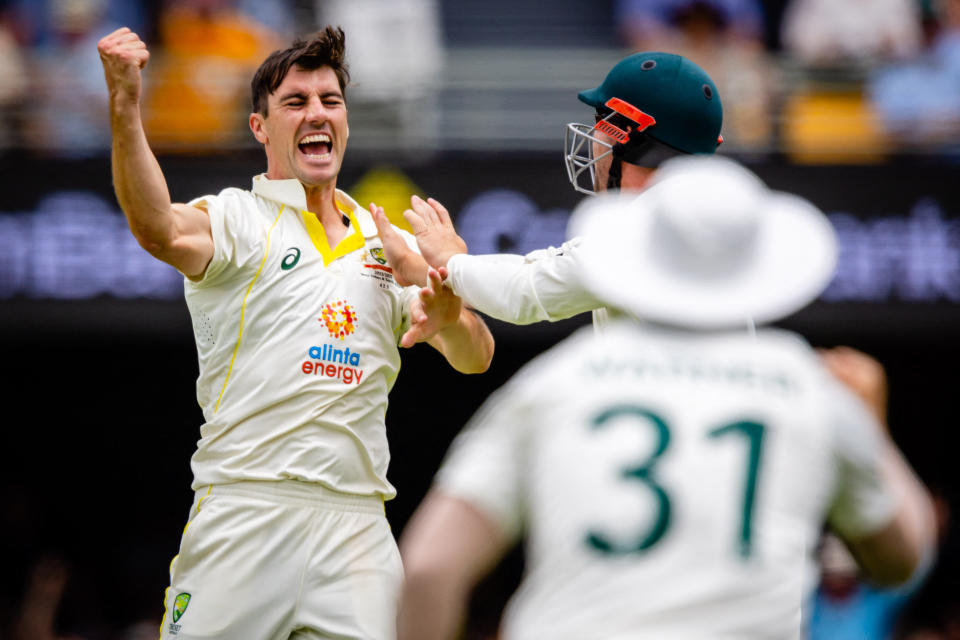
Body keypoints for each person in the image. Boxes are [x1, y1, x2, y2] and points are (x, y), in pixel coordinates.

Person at [396, 155, 937, 640]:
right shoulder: (809, 390)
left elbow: (428, 569)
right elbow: (902, 559)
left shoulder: (553, 382)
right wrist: (871, 427)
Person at [97, 25, 493, 640]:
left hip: (357, 522)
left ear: (346, 120)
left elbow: (476, 357)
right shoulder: (234, 215)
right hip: (247, 511)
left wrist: (450, 316)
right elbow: (156, 228)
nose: (317, 114)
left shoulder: (389, 242)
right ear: (261, 127)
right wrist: (125, 103)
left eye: (330, 101)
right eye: (296, 102)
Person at [373, 50, 722, 327]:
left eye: (601, 121)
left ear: (631, 141)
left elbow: (523, 293)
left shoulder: (642, 228)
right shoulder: (713, 219)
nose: (594, 137)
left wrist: (444, 262)